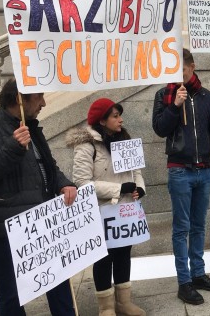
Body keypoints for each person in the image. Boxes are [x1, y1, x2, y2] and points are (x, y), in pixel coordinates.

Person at [0, 79, 78, 316]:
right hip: (6, 227)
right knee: (11, 295)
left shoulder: (31, 126)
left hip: (41, 223)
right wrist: (13, 147)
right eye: (39, 97)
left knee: (59, 283)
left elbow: (48, 166)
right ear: (20, 98)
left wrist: (64, 184)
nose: (44, 103)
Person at [152, 48, 210, 304]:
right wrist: (175, 106)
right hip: (179, 169)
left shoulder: (207, 96)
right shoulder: (164, 95)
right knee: (181, 228)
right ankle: (183, 282)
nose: (178, 76)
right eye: (173, 71)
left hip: (204, 169)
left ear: (192, 67)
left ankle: (198, 273)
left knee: (199, 225)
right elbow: (161, 129)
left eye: (182, 70)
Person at [66, 98, 146, 316]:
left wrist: (139, 187)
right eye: (115, 116)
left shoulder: (125, 140)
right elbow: (82, 183)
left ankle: (123, 302)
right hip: (101, 211)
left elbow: (136, 172)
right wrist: (118, 189)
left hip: (126, 210)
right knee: (103, 257)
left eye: (120, 115)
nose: (120, 120)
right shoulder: (86, 145)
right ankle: (106, 307)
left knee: (123, 254)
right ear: (102, 120)